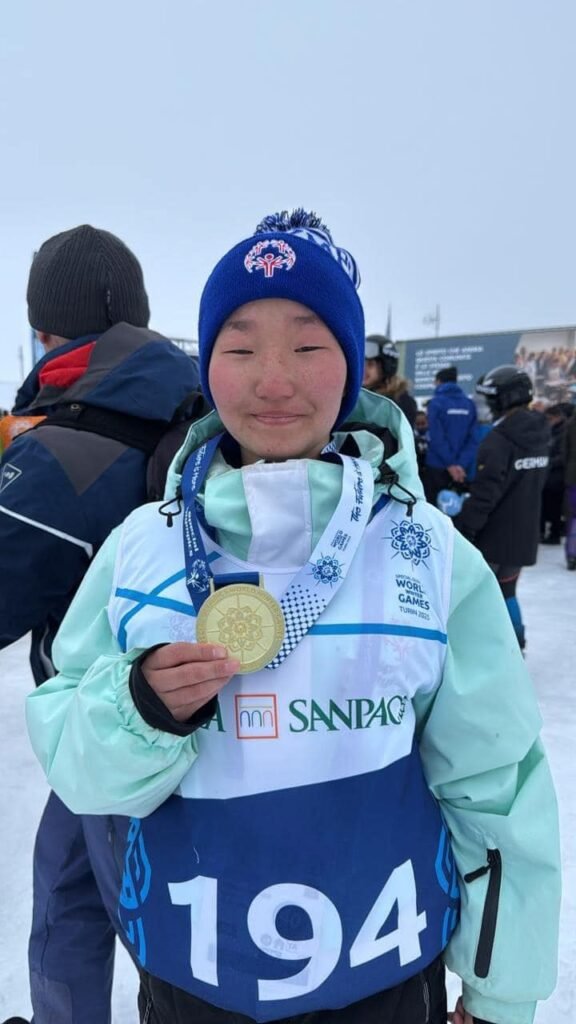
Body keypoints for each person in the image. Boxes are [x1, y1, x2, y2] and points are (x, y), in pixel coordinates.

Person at [26, 210, 560, 1024]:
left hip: (386, 986)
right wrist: (137, 708)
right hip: (191, 988)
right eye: (240, 349)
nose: (274, 380)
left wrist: (501, 993)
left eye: (309, 347)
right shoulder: (141, 547)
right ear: (208, 366)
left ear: (352, 366)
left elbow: (496, 785)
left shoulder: (428, 552)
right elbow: (73, 761)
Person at [0, 224, 200, 1024]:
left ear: (46, 330)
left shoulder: (58, 455)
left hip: (117, 732)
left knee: (139, 937)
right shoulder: (203, 409)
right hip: (200, 717)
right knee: (65, 891)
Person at [453, 366, 550, 650]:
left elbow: (486, 495)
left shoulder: (499, 441)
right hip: (525, 532)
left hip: (493, 535)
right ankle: (516, 645)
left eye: (490, 399)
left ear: (505, 399)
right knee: (507, 590)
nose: (486, 406)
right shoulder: (540, 434)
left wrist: (464, 529)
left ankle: (482, 650)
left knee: (474, 596)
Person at [423, 366, 477, 505]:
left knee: (434, 510)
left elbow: (436, 437)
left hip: (437, 466)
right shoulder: (469, 404)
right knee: (456, 508)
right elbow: (472, 439)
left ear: (439, 382)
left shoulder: (435, 403)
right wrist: (460, 464)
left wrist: (450, 464)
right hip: (461, 471)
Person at [363, 334, 417, 425]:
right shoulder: (357, 397)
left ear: (386, 366)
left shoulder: (400, 403)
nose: (363, 370)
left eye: (370, 365)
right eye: (362, 364)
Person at [540, 404, 568, 544]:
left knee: (554, 507)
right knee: (546, 505)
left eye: (550, 418)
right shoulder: (551, 430)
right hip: (549, 475)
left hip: (556, 476)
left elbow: (563, 456)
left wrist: (548, 461)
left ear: (557, 417)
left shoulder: (563, 432)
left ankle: (554, 534)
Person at [563, 403, 576, 569]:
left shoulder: (571, 423)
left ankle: (572, 554)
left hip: (572, 476)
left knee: (573, 517)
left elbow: (564, 452)